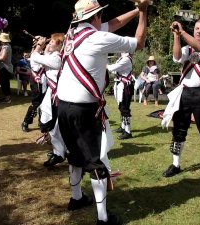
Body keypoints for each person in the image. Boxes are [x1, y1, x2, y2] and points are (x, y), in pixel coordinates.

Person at [57, 0, 149, 224]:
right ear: (96, 16)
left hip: (63, 106)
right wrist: (145, 14)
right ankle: (103, 218)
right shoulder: (98, 38)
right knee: (95, 161)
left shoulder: (72, 34)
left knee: (75, 157)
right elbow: (138, 43)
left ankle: (76, 198)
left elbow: (110, 24)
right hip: (83, 109)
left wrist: (137, 10)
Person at [162, 20, 200, 184]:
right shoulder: (186, 49)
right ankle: (176, 164)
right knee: (179, 129)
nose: (199, 31)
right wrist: (176, 36)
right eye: (197, 29)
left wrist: (182, 32)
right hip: (184, 92)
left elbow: (199, 47)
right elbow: (176, 57)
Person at [31, 33, 67, 167]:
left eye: (51, 42)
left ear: (58, 45)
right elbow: (39, 59)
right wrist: (44, 46)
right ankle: (59, 151)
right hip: (53, 94)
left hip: (57, 96)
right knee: (52, 125)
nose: (49, 43)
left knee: (53, 125)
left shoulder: (56, 58)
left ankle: (59, 153)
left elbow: (34, 58)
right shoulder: (53, 56)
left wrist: (39, 45)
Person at [107, 52, 134, 140]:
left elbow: (112, 68)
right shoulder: (122, 58)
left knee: (124, 108)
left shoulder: (126, 59)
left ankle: (128, 131)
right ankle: (123, 127)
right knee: (121, 107)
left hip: (125, 86)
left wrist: (105, 64)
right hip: (120, 84)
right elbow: (114, 70)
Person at [0, 33, 13, 103]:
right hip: (6, 68)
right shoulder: (5, 45)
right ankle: (6, 97)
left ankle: (8, 99)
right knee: (4, 83)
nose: (0, 41)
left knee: (5, 83)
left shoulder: (6, 47)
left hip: (5, 68)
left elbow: (2, 58)